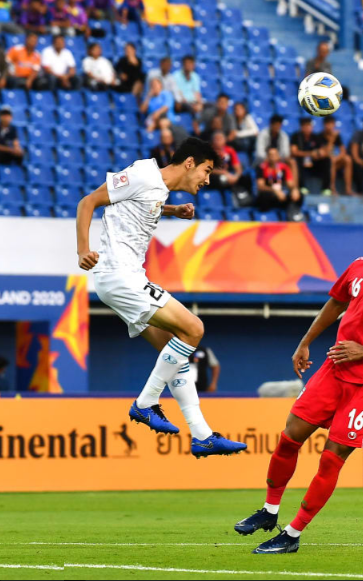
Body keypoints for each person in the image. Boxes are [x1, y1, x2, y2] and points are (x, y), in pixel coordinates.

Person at [233, 200, 363, 553]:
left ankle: (292, 535)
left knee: (331, 457)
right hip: (334, 369)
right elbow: (335, 304)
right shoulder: (357, 267)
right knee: (289, 436)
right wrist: (306, 342)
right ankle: (270, 510)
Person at [75, 137, 246, 458]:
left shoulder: (157, 190)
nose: (207, 180)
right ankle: (145, 403)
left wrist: (171, 210)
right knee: (193, 329)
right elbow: (89, 202)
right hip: (119, 275)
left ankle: (203, 435)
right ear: (190, 163)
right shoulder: (143, 174)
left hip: (126, 278)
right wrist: (84, 250)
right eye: (207, 171)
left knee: (175, 353)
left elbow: (136, 204)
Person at [291, 117, 330, 196]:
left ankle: (325, 188)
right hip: (302, 162)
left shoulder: (315, 137)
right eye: (305, 126)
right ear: (302, 127)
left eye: (309, 126)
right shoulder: (296, 136)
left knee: (327, 160)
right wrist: (309, 154)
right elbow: (294, 152)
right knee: (296, 161)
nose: (308, 128)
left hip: (314, 162)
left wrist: (319, 154)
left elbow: (322, 151)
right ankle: (302, 187)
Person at [256, 146, 299, 215]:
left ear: (278, 156)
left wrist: (294, 189)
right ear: (267, 157)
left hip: (281, 195)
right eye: (271, 155)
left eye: (275, 154)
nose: (273, 157)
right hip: (269, 194)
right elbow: (260, 187)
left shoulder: (284, 168)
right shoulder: (261, 167)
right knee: (264, 196)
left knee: (297, 194)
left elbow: (290, 184)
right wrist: (275, 191)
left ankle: (293, 215)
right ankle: (265, 217)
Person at [320, 117, 352, 196]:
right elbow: (326, 153)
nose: (330, 126)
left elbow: (343, 151)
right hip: (323, 163)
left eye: (331, 124)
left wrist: (337, 158)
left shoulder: (337, 136)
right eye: (327, 124)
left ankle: (348, 189)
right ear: (324, 125)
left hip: (334, 159)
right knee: (331, 161)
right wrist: (332, 139)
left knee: (348, 159)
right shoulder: (320, 136)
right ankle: (332, 188)